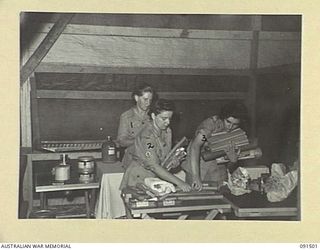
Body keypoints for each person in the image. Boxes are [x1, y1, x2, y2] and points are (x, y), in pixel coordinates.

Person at [119, 99, 192, 192]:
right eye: (164, 118)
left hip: (156, 176)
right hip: (140, 178)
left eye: (170, 118)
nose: (168, 122)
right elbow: (153, 166)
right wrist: (179, 182)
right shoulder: (147, 137)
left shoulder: (167, 131)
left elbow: (163, 156)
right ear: (153, 116)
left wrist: (173, 161)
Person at [182, 101, 248, 191]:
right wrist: (196, 176)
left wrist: (233, 160)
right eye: (228, 122)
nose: (230, 127)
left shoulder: (237, 134)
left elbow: (230, 166)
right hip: (198, 165)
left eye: (235, 124)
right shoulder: (210, 125)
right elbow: (195, 146)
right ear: (223, 117)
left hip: (217, 169)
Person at [117, 83, 155, 168]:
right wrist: (140, 140)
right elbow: (121, 141)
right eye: (145, 99)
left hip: (151, 161)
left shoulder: (154, 116)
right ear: (136, 98)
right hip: (132, 162)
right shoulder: (126, 116)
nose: (148, 103)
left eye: (150, 100)